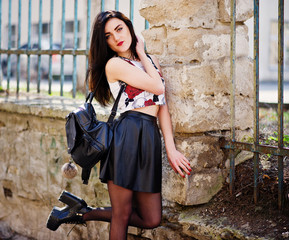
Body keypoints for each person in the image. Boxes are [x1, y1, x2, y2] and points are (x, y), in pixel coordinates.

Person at [46, 10, 191, 239]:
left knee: (152, 218)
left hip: (149, 137)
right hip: (127, 135)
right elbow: (158, 87)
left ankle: (82, 212)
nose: (116, 37)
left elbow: (161, 104)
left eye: (119, 29)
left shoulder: (150, 62)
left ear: (129, 27)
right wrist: (142, 51)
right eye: (108, 35)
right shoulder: (114, 64)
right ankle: (81, 211)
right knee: (121, 214)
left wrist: (171, 149)